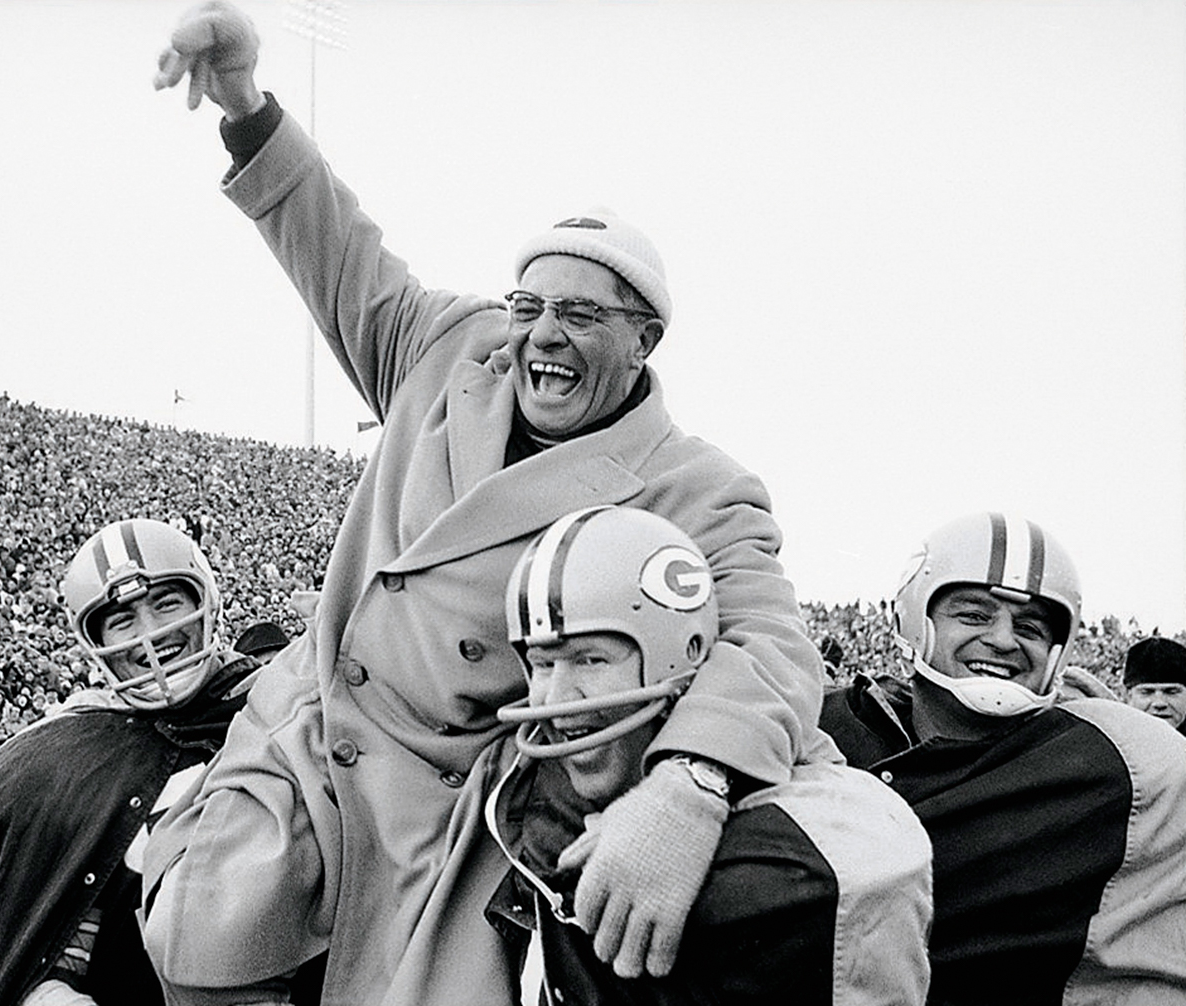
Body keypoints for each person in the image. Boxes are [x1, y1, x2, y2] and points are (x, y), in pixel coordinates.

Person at [143, 5, 831, 1003]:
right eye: (530, 306)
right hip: (316, 719)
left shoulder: (696, 485)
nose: (542, 338)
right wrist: (247, 106)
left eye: (583, 315)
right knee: (200, 947)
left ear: (645, 341)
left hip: (456, 792)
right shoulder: (447, 350)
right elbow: (335, 248)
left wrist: (691, 783)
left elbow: (771, 641)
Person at [489, 505, 932, 1005]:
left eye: (590, 659)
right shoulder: (539, 798)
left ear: (684, 652)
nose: (557, 697)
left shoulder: (806, 846)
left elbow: (866, 861)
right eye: (542, 663)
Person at [820, 512, 1186, 1005]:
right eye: (974, 615)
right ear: (912, 618)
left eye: (1030, 627)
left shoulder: (1118, 756)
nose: (1003, 639)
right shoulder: (816, 724)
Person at [0, 519, 285, 1006]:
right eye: (122, 620)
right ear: (95, 639)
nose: (151, 634)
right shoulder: (63, 754)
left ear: (204, 603)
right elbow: (55, 934)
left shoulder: (281, 713)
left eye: (167, 603)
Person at [1121, 636, 1186, 732]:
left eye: (1171, 692)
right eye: (1147, 692)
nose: (1159, 703)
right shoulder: (1106, 743)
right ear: (1127, 696)